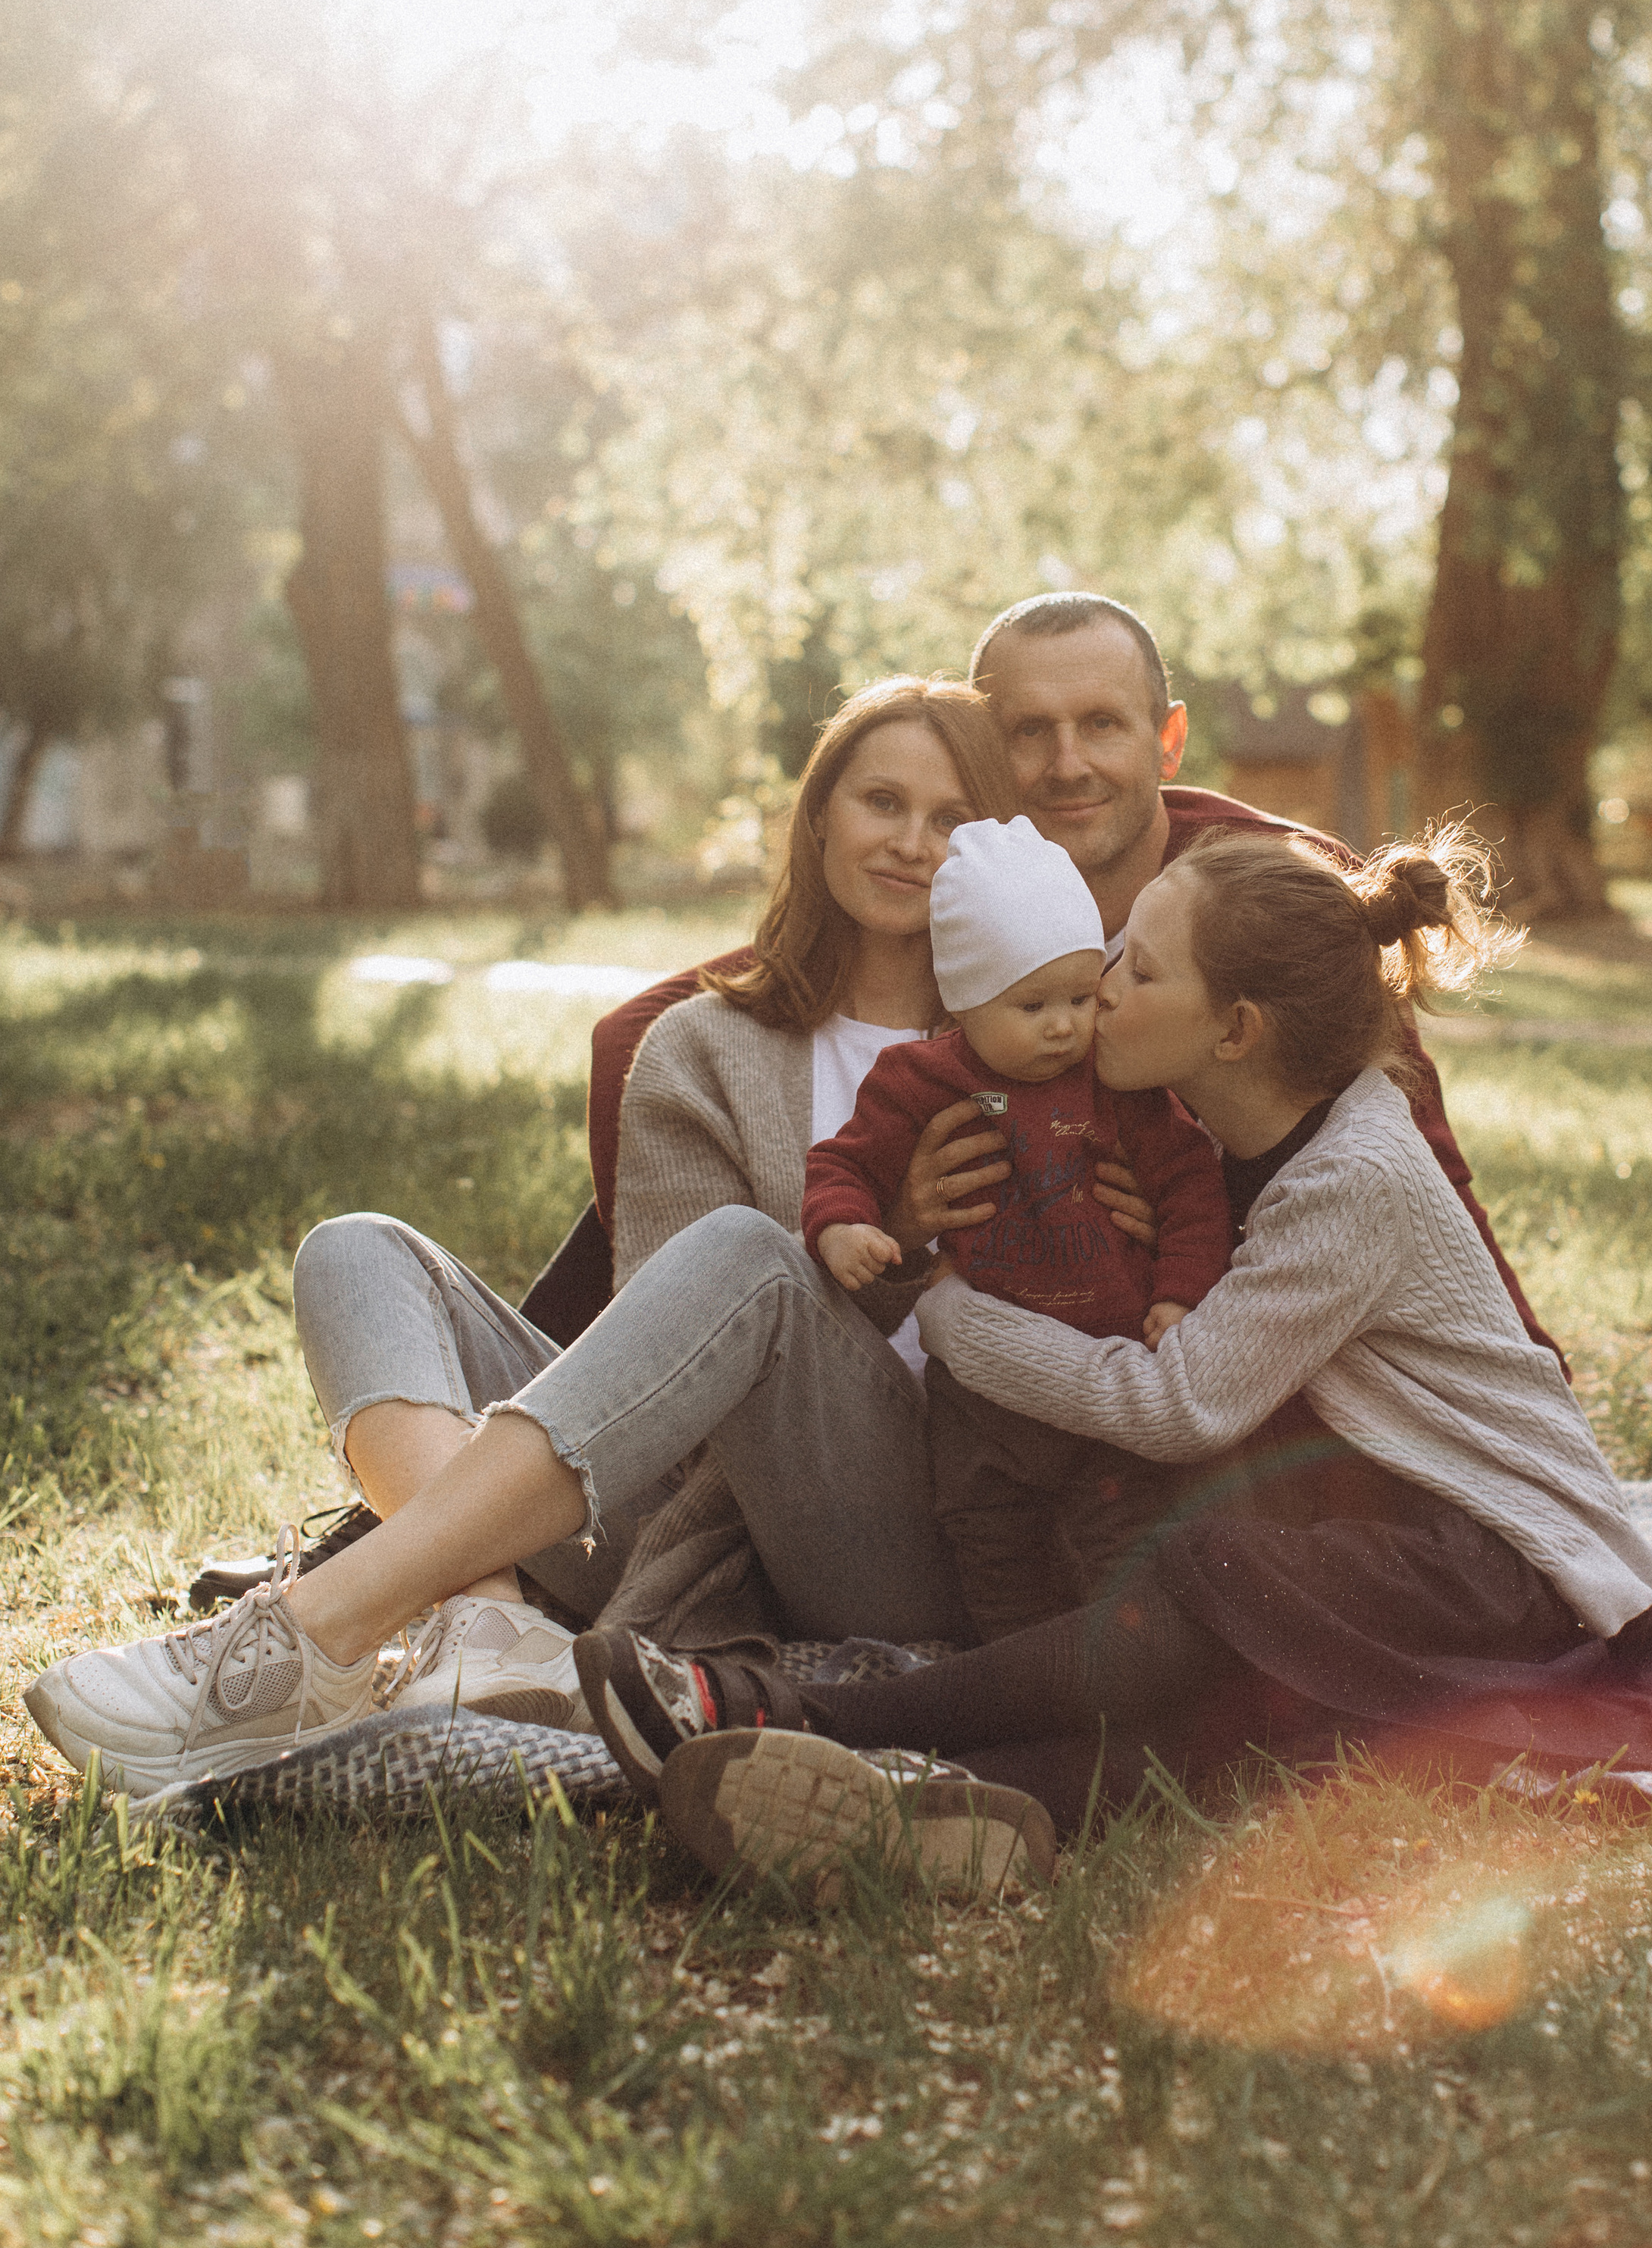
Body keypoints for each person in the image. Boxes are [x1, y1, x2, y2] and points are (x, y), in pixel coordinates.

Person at [578, 825, 1652, 1893]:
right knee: (1248, 1729)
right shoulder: (1204, 1123)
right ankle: (931, 1809)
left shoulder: (1358, 1173)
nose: (1102, 991)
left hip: (1495, 1558)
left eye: (1137, 970)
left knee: (1201, 1582)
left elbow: (1178, 1400)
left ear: (1232, 1030)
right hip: (1371, 1522)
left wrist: (954, 1313)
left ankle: (783, 1719)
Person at [23, 676, 1061, 1795]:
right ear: (819, 821)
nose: (911, 841)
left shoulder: (1032, 1059)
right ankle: (489, 1630)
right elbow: (669, 1382)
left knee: (753, 1255)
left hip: (903, 1537)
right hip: (696, 1508)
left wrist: (898, 1243)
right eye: (881, 802)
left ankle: (315, 1629)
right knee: (356, 1250)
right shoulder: (705, 1049)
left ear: (998, 843)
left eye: (951, 817)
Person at [534, 592, 1563, 1373]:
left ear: (1167, 739)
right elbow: (749, 1000)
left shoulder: (1248, 891)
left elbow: (1410, 1159)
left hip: (1197, 1313)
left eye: (1104, 726)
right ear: (987, 747)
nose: (1067, 765)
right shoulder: (963, 893)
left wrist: (1525, 1364)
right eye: (1029, 732)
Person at [805, 814, 1231, 1639]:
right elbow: (842, 1165)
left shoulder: (1115, 1080)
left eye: (1081, 996)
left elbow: (1189, 1186)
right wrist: (843, 1229)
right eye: (1032, 1005)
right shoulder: (920, 1081)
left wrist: (1179, 1295)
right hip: (982, 1389)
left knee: (1123, 1546)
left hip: (1107, 1370)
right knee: (990, 1543)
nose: (1065, 1025)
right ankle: (1007, 1675)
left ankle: (1118, 1686)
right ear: (965, 1000)